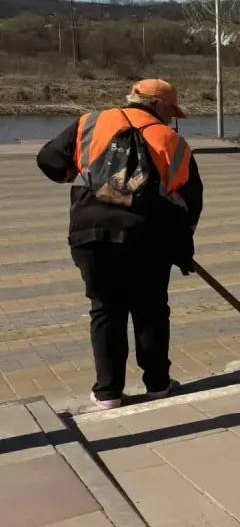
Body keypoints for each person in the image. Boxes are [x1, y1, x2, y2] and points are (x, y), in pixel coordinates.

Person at [36, 79, 203, 410]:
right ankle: (157, 384)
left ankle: (108, 392)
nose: (172, 119)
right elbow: (189, 205)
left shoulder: (90, 123)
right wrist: (183, 250)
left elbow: (48, 160)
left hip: (90, 231)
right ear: (158, 106)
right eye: (172, 111)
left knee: (105, 309)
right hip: (146, 236)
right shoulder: (174, 143)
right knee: (151, 310)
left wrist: (82, 174)